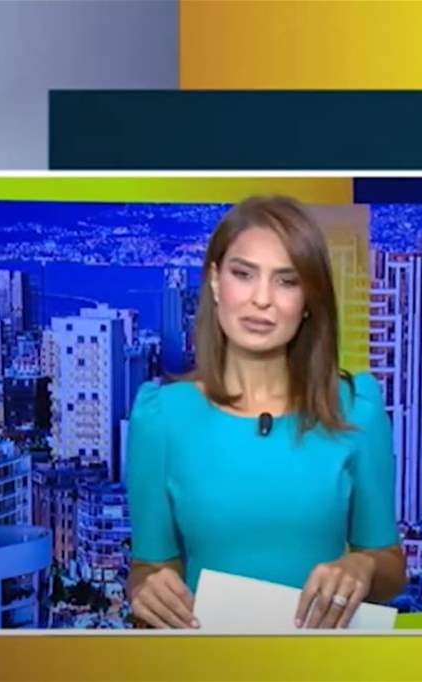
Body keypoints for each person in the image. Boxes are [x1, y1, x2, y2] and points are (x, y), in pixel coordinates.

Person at [126, 195, 406, 629]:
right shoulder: (161, 418)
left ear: (308, 299)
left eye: (286, 281)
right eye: (243, 274)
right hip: (206, 657)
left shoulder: (358, 411)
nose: (262, 300)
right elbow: (149, 566)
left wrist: (362, 567)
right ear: (215, 282)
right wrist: (147, 589)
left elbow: (390, 567)